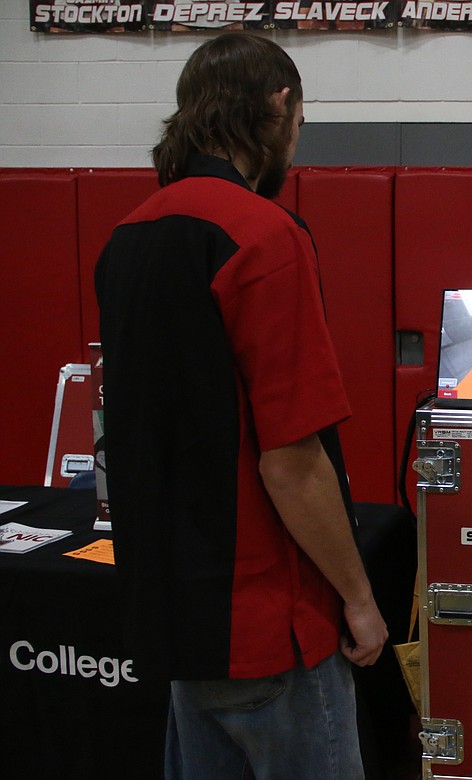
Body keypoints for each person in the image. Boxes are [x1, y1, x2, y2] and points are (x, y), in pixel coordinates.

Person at [94, 33, 388, 779]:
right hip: (267, 625)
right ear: (280, 105)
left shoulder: (128, 237)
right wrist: (359, 597)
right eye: (300, 121)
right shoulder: (264, 235)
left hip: (180, 624)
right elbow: (291, 459)